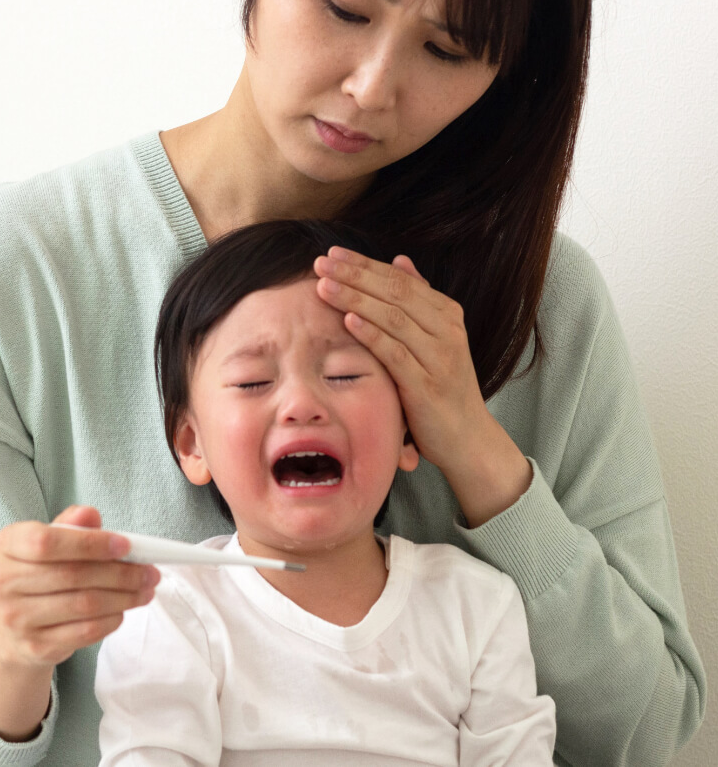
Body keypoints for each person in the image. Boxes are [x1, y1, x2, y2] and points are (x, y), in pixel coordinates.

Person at [0, 0, 705, 765]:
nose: (372, 86)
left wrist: (475, 449)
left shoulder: (545, 304)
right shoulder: (15, 268)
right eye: (345, 9)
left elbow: (645, 730)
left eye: (447, 49)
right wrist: (17, 642)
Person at [94, 219, 557, 766]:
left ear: (410, 430)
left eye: (341, 374)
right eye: (252, 383)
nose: (301, 404)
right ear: (192, 444)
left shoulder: (474, 605)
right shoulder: (173, 608)